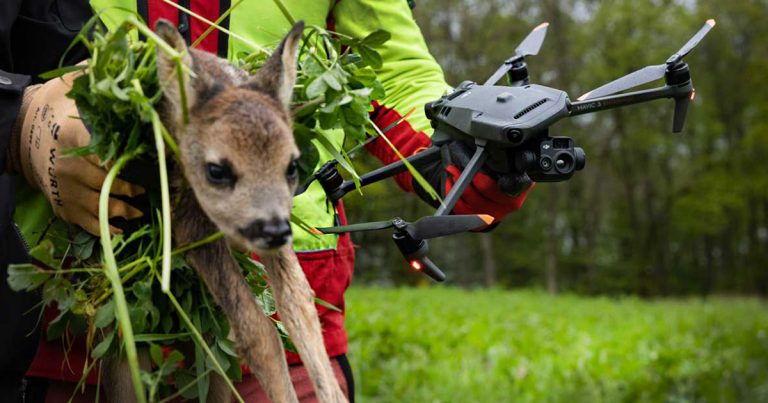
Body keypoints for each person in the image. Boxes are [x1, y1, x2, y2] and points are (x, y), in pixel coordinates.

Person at [0, 1, 533, 401]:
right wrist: (14, 123)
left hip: (292, 315)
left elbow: (389, 69)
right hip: (76, 308)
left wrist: (470, 146)